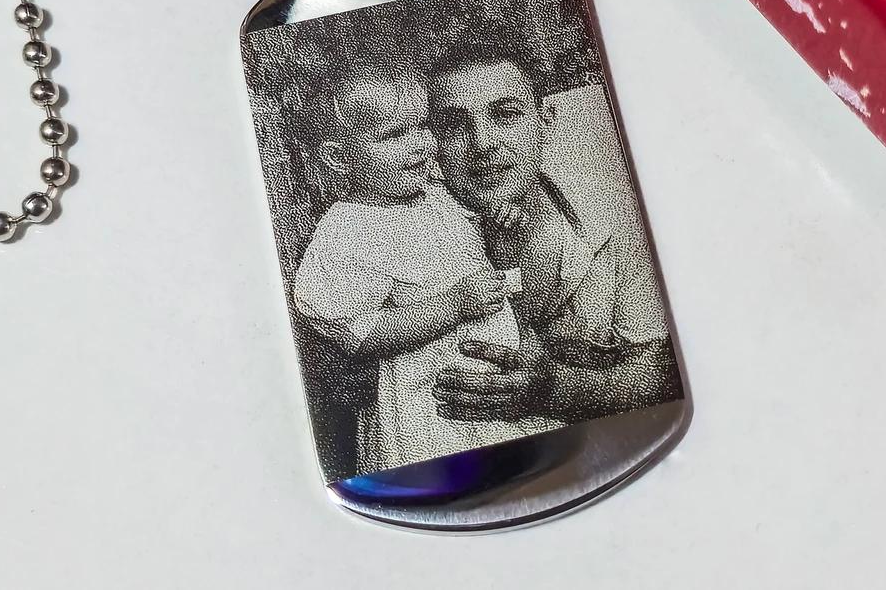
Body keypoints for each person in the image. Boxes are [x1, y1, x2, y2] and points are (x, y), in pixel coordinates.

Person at [291, 65, 558, 475]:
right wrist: (452, 307)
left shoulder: (437, 198)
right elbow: (359, 335)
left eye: (421, 126)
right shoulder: (346, 232)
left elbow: (483, 264)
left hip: (497, 372)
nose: (421, 145)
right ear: (339, 158)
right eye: (394, 135)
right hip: (430, 398)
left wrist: (502, 234)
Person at [425, 44, 680, 424]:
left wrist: (561, 391)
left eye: (505, 115)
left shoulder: (612, 216)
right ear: (432, 142)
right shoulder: (416, 239)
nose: (482, 142)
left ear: (545, 121)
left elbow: (667, 369)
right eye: (454, 125)